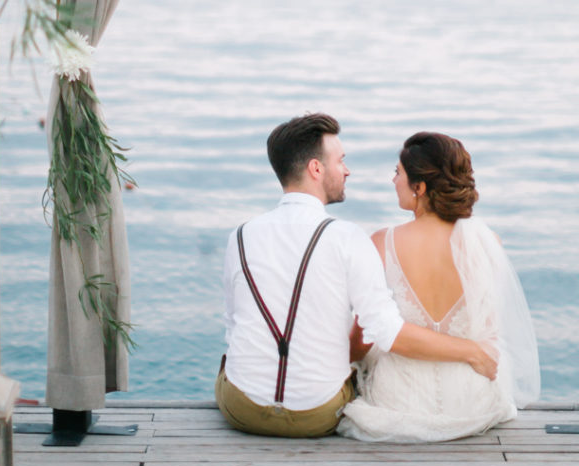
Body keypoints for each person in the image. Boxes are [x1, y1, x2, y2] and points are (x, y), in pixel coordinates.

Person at [216, 113, 499, 438]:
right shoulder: (348, 238)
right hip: (317, 415)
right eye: (341, 161)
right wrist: (474, 352)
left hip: (240, 410)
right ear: (316, 169)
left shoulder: (240, 235)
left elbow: (233, 323)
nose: (347, 170)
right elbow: (384, 331)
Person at [337, 131, 541, 443]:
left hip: (400, 398)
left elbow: (364, 336)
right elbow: (488, 332)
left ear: (419, 187)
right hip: (471, 399)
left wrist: (347, 363)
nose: (393, 181)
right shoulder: (487, 243)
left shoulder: (382, 243)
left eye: (398, 173)